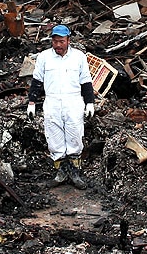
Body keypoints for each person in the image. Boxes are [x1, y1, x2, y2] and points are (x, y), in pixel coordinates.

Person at [26, 24, 95, 185]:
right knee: (54, 137)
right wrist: (31, 103)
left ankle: (74, 172)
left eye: (61, 41)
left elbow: (86, 81)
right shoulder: (44, 57)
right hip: (52, 102)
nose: (58, 45)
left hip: (73, 102)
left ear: (68, 41)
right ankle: (61, 172)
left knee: (75, 136)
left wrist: (90, 103)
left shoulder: (78, 57)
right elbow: (37, 81)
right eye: (55, 41)